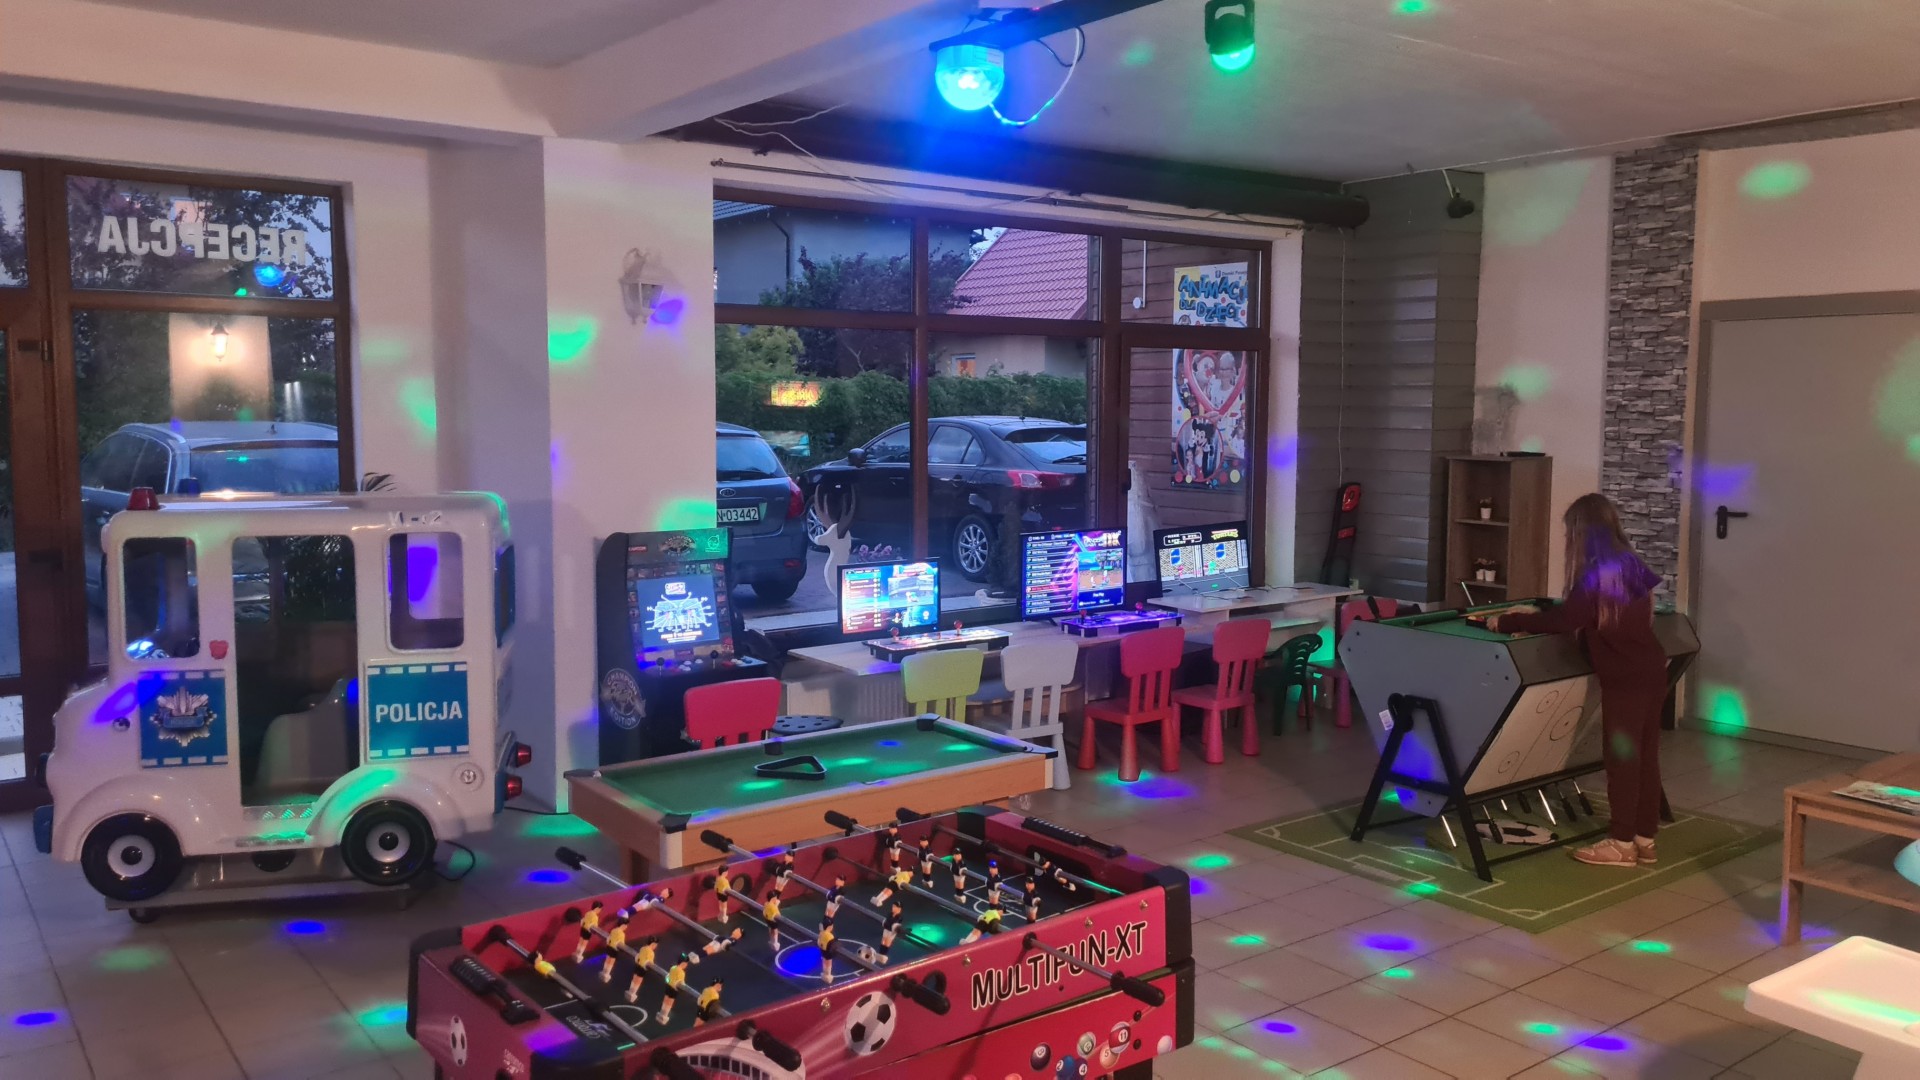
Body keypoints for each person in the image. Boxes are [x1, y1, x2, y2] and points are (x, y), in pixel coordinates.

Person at [1489, 493, 1670, 868]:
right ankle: (1644, 839)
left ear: (1582, 532)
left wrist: (1509, 621)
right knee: (1645, 757)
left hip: (1625, 679)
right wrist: (1539, 613)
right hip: (1652, 669)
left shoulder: (1593, 574)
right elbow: (1585, 612)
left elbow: (1565, 620)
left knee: (1622, 760)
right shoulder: (1628, 562)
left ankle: (1621, 843)